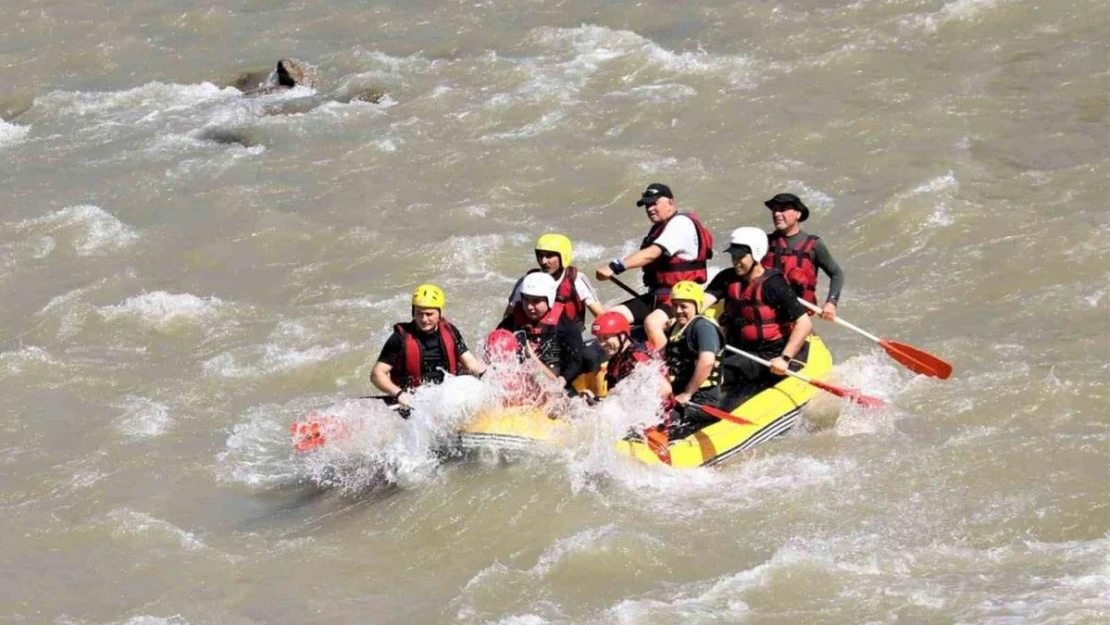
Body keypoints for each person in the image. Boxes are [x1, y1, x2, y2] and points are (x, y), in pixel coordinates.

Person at [704, 227, 814, 410]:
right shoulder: (726, 278)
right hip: (738, 351)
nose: (735, 261)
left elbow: (804, 323)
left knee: (714, 373)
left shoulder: (773, 285)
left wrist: (784, 359)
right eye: (733, 256)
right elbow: (702, 302)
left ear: (755, 254)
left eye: (740, 257)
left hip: (768, 355)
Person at [595, 183, 714, 349]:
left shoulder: (681, 223)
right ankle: (628, 361)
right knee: (610, 319)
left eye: (654, 203)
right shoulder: (659, 229)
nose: (650, 208)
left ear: (671, 203)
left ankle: (665, 368)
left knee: (652, 323)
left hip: (680, 298)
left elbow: (651, 254)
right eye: (647, 205)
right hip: (656, 297)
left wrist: (614, 267)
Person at [370, 284, 487, 408]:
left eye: (429, 314)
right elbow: (377, 374)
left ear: (440, 313)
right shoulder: (399, 338)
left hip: (447, 398)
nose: (424, 319)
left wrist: (489, 377)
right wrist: (399, 394)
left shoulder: (451, 332)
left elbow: (470, 363)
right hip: (413, 403)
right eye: (419, 313)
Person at [496, 272, 585, 395]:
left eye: (536, 301)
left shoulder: (565, 326)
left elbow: (575, 361)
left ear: (549, 299)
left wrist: (562, 380)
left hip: (554, 379)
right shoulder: (512, 322)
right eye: (526, 300)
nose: (530, 307)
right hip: (523, 381)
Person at [762, 193, 845, 320]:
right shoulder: (762, 242)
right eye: (774, 210)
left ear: (798, 214)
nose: (777, 214)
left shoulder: (814, 245)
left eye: (783, 209)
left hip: (798, 318)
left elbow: (837, 274)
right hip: (767, 315)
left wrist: (831, 303)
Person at [504, 233, 605, 331]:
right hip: (535, 338)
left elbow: (601, 316)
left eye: (549, 256)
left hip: (570, 340)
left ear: (563, 257)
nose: (543, 261)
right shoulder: (527, 282)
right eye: (540, 256)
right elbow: (507, 317)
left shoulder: (576, 280)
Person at [662, 281, 724, 438]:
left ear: (697, 306)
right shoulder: (677, 327)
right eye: (675, 305)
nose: (678, 311)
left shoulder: (703, 328)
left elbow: (707, 361)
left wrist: (687, 394)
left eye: (684, 306)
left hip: (702, 399)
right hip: (678, 392)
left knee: (661, 421)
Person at [586, 311, 671, 399]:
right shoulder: (616, 359)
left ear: (622, 335)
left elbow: (665, 390)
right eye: (599, 339)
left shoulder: (636, 357)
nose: (602, 344)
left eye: (606, 338)